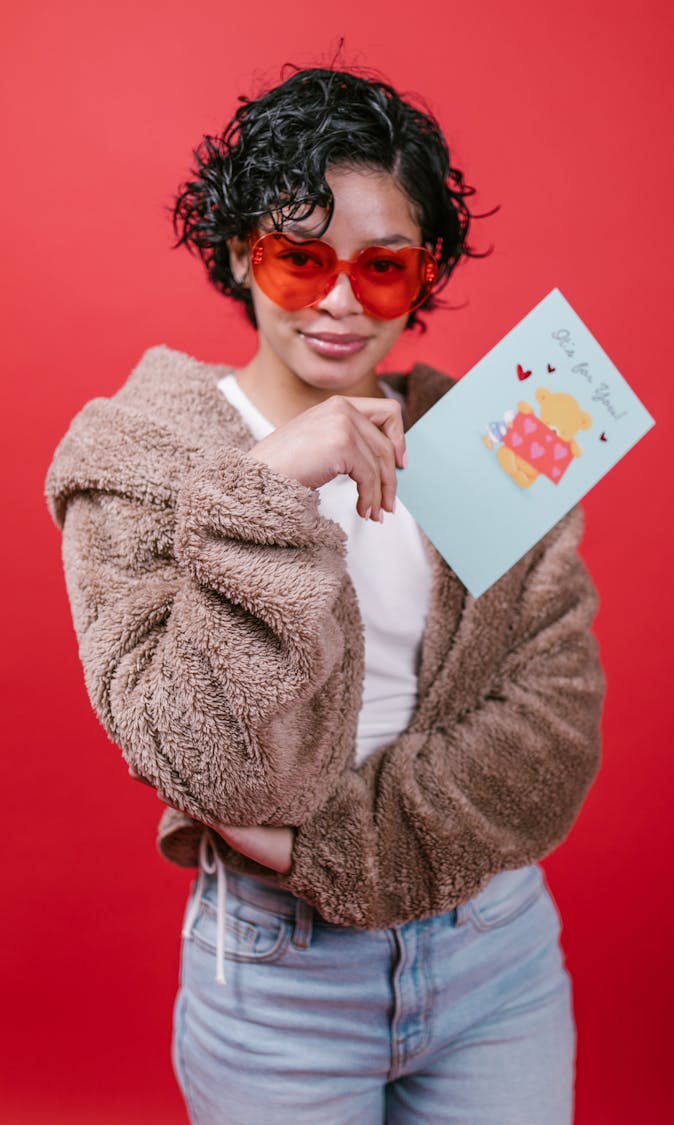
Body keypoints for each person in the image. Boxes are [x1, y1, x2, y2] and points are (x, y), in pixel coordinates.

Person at [46, 66, 605, 1124]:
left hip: (498, 952)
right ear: (236, 257)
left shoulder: (491, 445)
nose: (342, 301)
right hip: (277, 974)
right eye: (300, 260)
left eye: (383, 268)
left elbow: (556, 721)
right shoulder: (142, 454)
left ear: (422, 274)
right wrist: (265, 488)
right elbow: (191, 749)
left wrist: (336, 853)